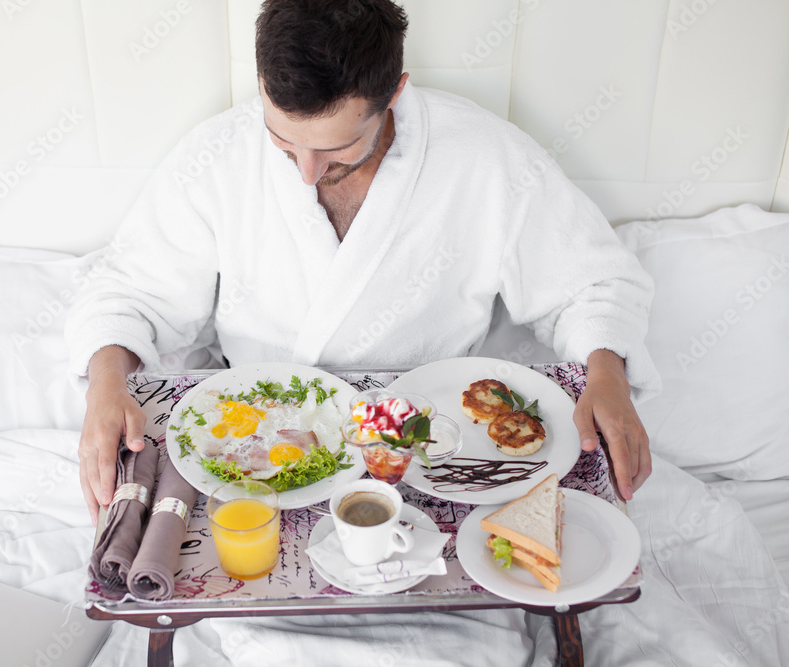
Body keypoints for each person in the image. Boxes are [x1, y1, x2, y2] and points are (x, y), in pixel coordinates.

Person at [65, 0, 658, 527]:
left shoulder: (486, 155)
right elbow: (131, 291)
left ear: (394, 92)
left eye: (334, 148)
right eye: (283, 143)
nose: (304, 172)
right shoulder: (214, 155)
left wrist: (607, 376)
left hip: (431, 451)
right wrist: (106, 384)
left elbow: (591, 282)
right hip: (262, 452)